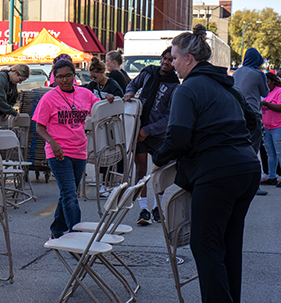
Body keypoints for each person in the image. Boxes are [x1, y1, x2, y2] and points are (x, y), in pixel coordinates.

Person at [152, 24, 260, 303]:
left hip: (217, 174)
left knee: (205, 246)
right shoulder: (227, 85)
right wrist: (241, 147)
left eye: (174, 58)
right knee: (228, 246)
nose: (172, 63)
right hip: (246, 169)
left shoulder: (187, 89)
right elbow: (252, 122)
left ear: (189, 58)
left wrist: (158, 157)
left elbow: (177, 137)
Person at [33, 59, 99, 239]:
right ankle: (75, 236)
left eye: (68, 75)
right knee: (70, 194)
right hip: (58, 153)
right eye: (60, 77)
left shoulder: (85, 94)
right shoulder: (48, 98)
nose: (64, 80)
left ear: (74, 76)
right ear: (54, 78)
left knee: (68, 193)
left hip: (80, 150)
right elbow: (39, 126)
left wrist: (108, 100)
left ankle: (56, 230)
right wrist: (52, 143)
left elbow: (99, 109)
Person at [124, 46, 179, 225]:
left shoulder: (175, 85)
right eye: (164, 58)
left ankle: (157, 207)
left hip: (158, 135)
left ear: (175, 62)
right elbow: (132, 84)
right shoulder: (148, 73)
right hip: (138, 129)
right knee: (140, 169)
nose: (166, 62)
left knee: (159, 172)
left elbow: (169, 117)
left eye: (171, 60)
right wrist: (129, 93)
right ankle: (143, 210)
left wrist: (148, 130)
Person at [233, 47, 270, 195]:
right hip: (253, 115)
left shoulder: (236, 72)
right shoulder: (258, 74)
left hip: (236, 113)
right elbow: (265, 92)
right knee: (253, 150)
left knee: (238, 148)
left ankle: (236, 183)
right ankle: (253, 186)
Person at [85, 56, 124, 196]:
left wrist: (112, 99)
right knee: (100, 152)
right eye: (91, 77)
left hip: (111, 125)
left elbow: (121, 99)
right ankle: (102, 183)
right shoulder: (93, 85)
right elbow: (84, 91)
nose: (93, 79)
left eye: (95, 76)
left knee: (110, 152)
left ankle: (110, 184)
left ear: (102, 72)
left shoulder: (112, 84)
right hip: (98, 124)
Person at [260, 73, 281, 186]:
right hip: (267, 127)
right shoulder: (266, 93)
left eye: (267, 82)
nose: (266, 85)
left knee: (280, 153)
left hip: (278, 126)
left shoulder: (279, 91)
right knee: (270, 154)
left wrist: (266, 104)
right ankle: (271, 176)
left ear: (273, 81)